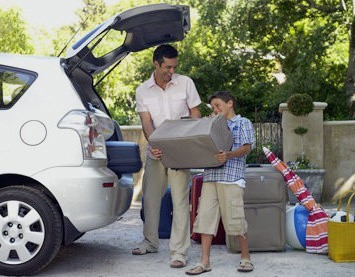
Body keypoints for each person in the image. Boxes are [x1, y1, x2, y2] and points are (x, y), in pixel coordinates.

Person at [133, 44, 201, 268]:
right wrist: (153, 145)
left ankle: (179, 252)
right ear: (156, 63)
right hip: (156, 149)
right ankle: (150, 242)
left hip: (179, 151)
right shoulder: (143, 90)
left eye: (174, 67)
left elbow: (195, 113)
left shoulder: (186, 83)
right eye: (168, 67)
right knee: (151, 198)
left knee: (180, 201)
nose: (172, 71)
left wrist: (188, 140)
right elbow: (146, 122)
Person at [186, 90, 255, 275]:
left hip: (232, 177)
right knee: (205, 219)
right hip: (210, 177)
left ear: (230, 103)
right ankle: (204, 262)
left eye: (218, 105)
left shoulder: (243, 122)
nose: (215, 110)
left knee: (236, 219)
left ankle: (246, 258)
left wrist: (229, 155)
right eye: (213, 107)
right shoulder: (211, 124)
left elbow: (247, 147)